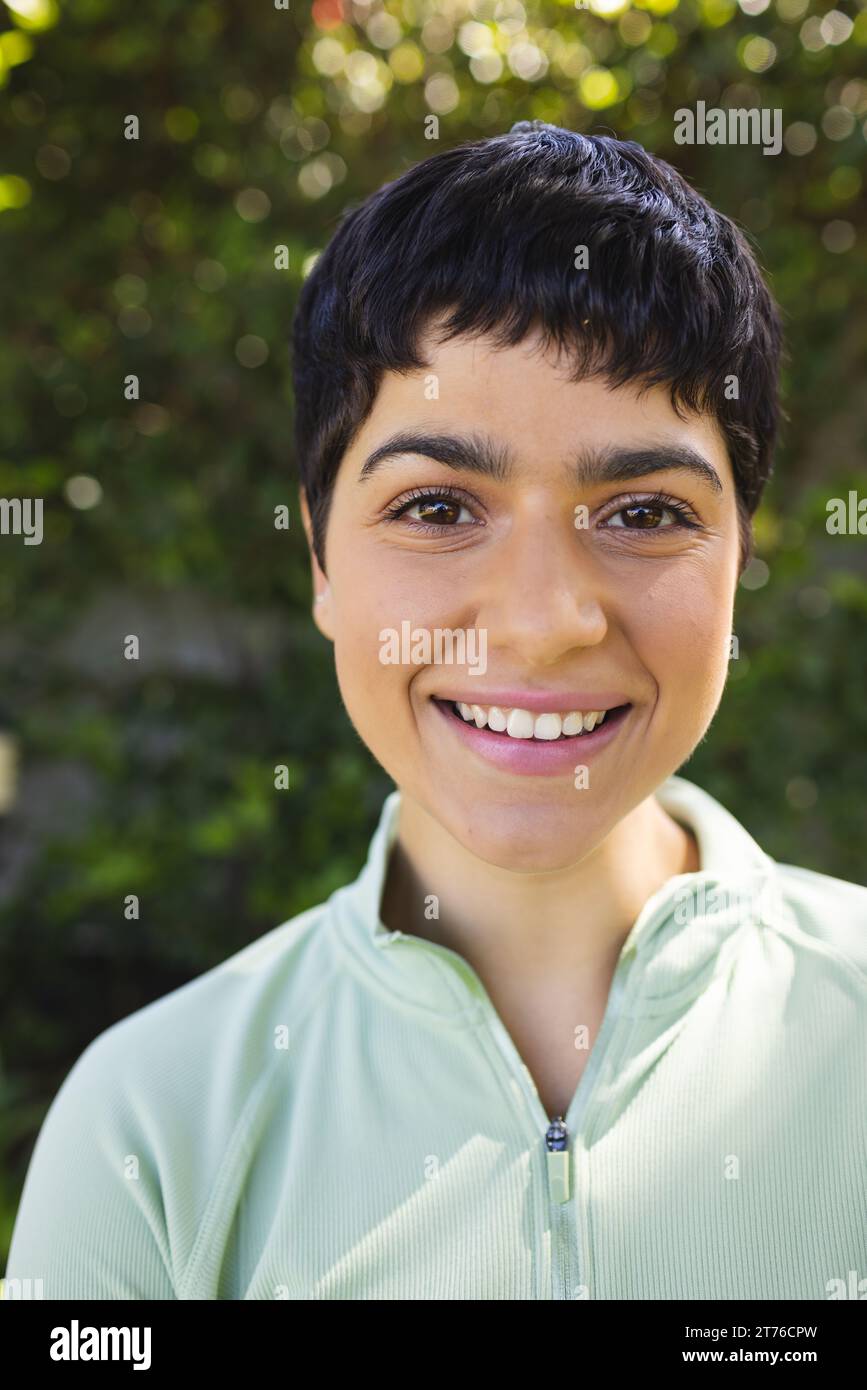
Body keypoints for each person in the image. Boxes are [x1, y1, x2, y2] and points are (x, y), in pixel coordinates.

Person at [6, 123, 865, 1301]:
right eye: (438, 506)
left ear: (737, 562)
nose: (542, 620)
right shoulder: (149, 1129)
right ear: (318, 555)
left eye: (644, 512)